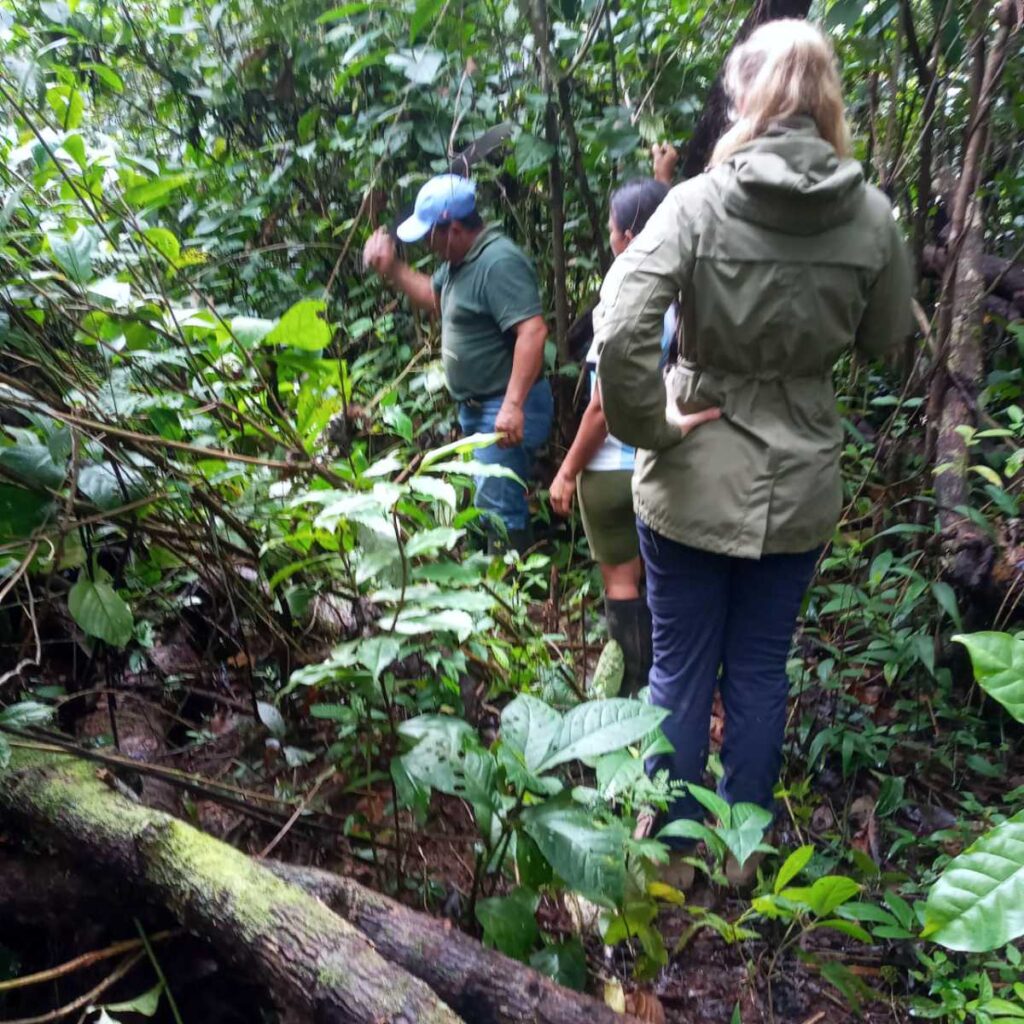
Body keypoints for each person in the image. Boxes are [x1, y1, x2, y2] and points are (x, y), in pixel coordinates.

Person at [594, 20, 912, 889]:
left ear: (744, 99)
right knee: (762, 669)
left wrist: (651, 427)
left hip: (693, 473)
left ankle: (672, 856)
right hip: (800, 481)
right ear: (827, 101)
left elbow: (621, 325)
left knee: (680, 669)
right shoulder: (873, 216)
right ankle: (747, 855)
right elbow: (893, 341)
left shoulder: (698, 203)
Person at [549, 144, 685, 695]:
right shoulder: (686, 286)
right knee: (659, 578)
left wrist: (566, 470)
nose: (608, 236)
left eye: (611, 227)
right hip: (665, 459)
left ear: (627, 236)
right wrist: (663, 179)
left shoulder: (626, 293)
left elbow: (604, 405)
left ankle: (631, 694)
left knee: (622, 583)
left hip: (611, 466)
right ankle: (667, 685)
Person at [363, 174, 552, 553]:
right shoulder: (461, 262)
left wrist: (513, 406)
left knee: (500, 508)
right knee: (489, 502)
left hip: (505, 405)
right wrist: (393, 270)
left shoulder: (497, 262)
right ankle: (502, 582)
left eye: (430, 236)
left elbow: (532, 332)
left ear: (452, 229)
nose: (427, 246)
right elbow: (436, 300)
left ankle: (515, 596)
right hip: (480, 408)